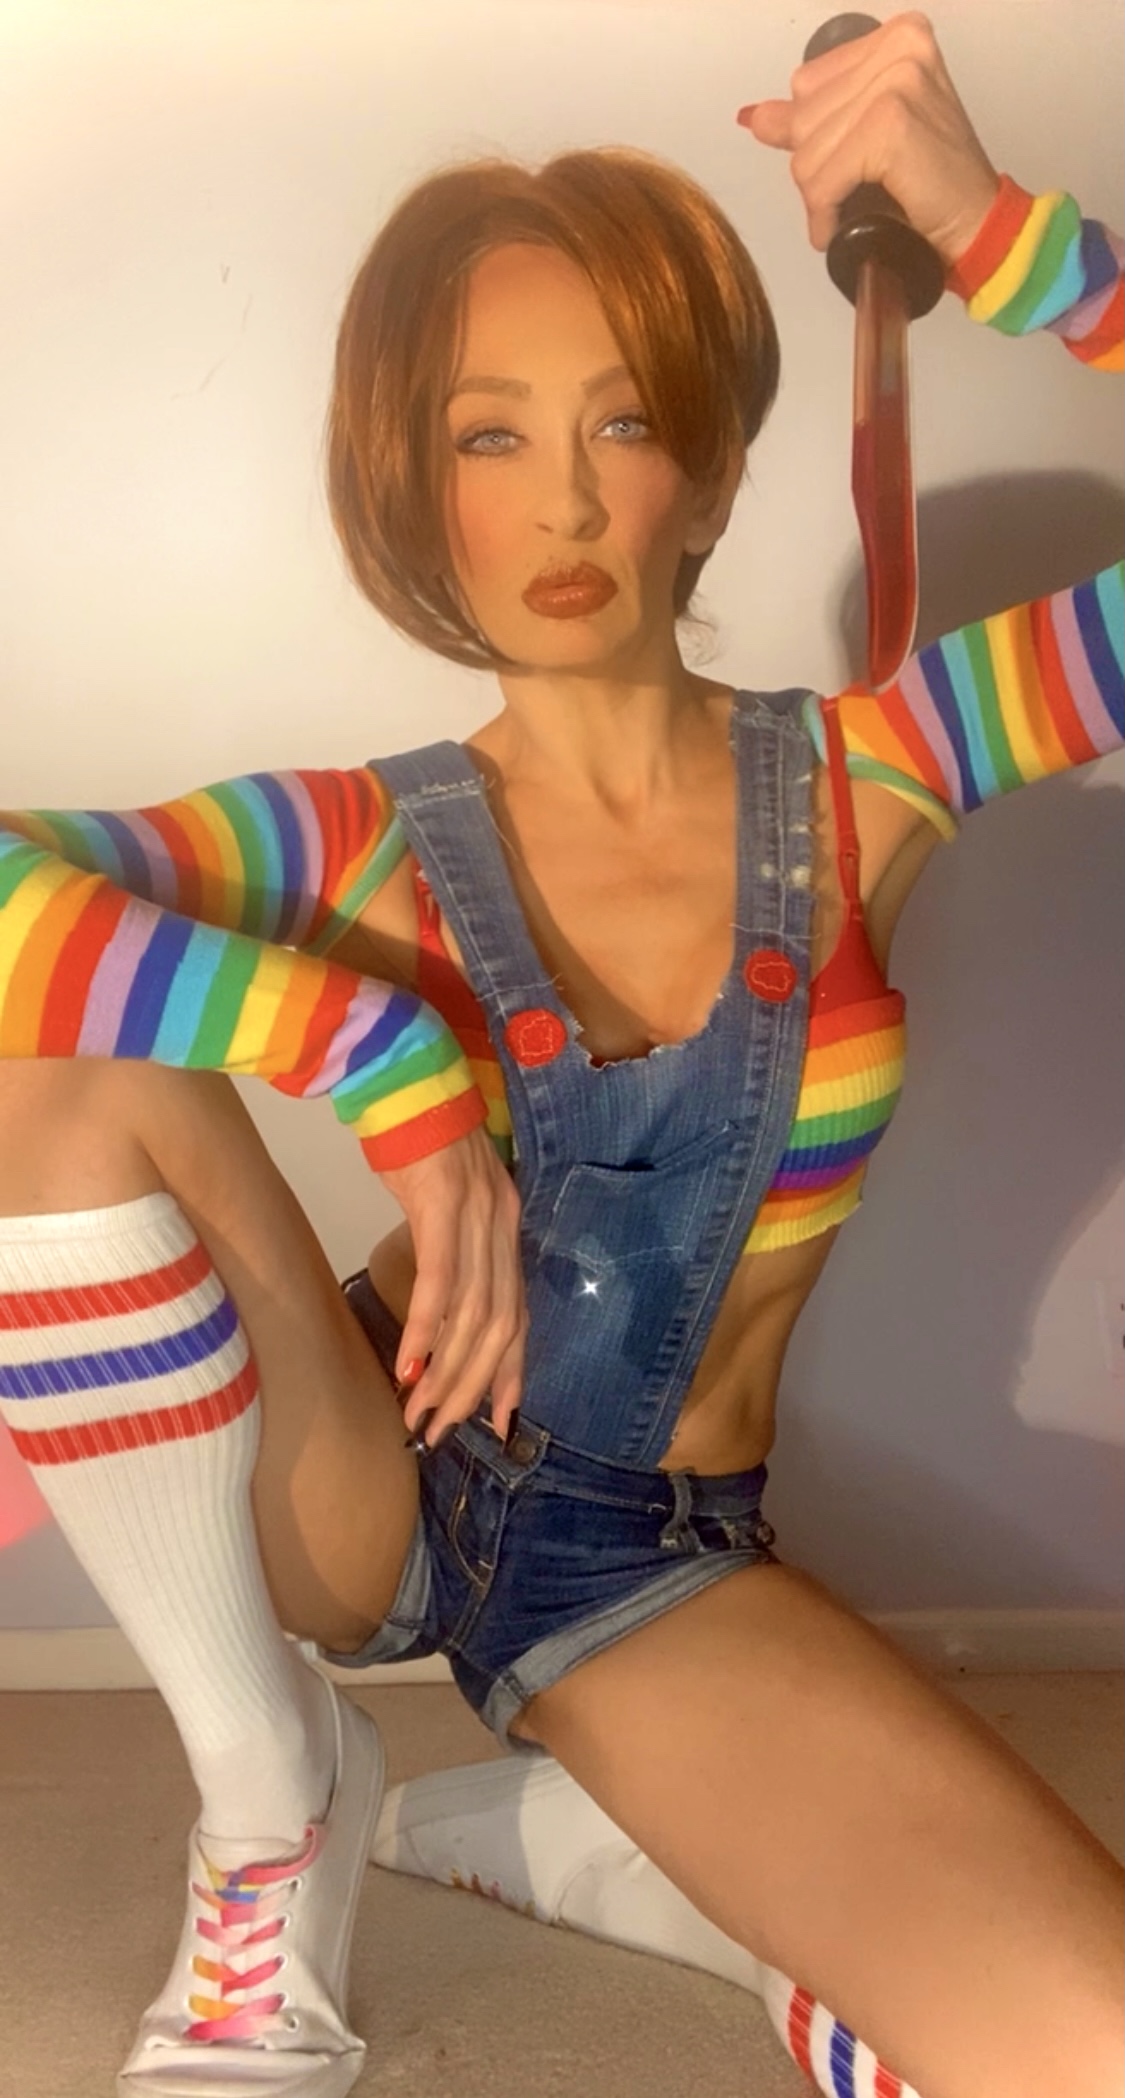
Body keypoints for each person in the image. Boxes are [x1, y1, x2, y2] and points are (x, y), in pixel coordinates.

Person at [0, 12, 1121, 2097]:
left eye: (623, 418)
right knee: (40, 1067)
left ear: (708, 464)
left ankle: (644, 1849)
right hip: (354, 1467)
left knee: (1083, 2044)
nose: (566, 496)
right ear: (408, 485)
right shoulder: (358, 841)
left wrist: (998, 235)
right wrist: (372, 1053)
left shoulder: (877, 768)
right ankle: (274, 1797)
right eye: (487, 434)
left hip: (634, 1552)